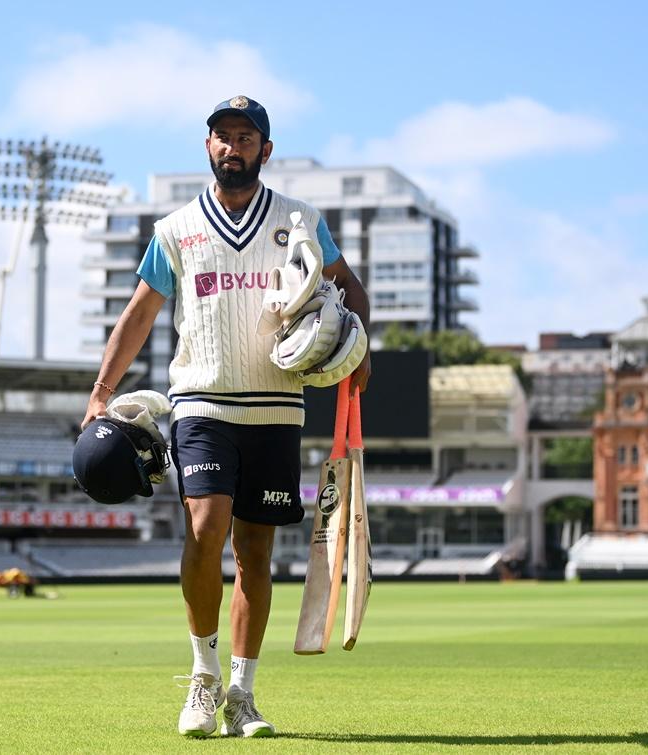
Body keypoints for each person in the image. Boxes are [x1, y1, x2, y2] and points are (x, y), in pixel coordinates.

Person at [81, 95, 371, 738]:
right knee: (205, 527)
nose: (231, 147)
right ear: (207, 146)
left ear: (265, 150)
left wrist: (360, 347)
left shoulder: (299, 220)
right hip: (202, 401)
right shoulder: (175, 229)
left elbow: (350, 288)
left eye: (245, 137)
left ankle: (242, 692)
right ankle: (203, 678)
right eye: (221, 136)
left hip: (276, 405)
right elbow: (138, 314)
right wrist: (102, 390)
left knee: (256, 551)